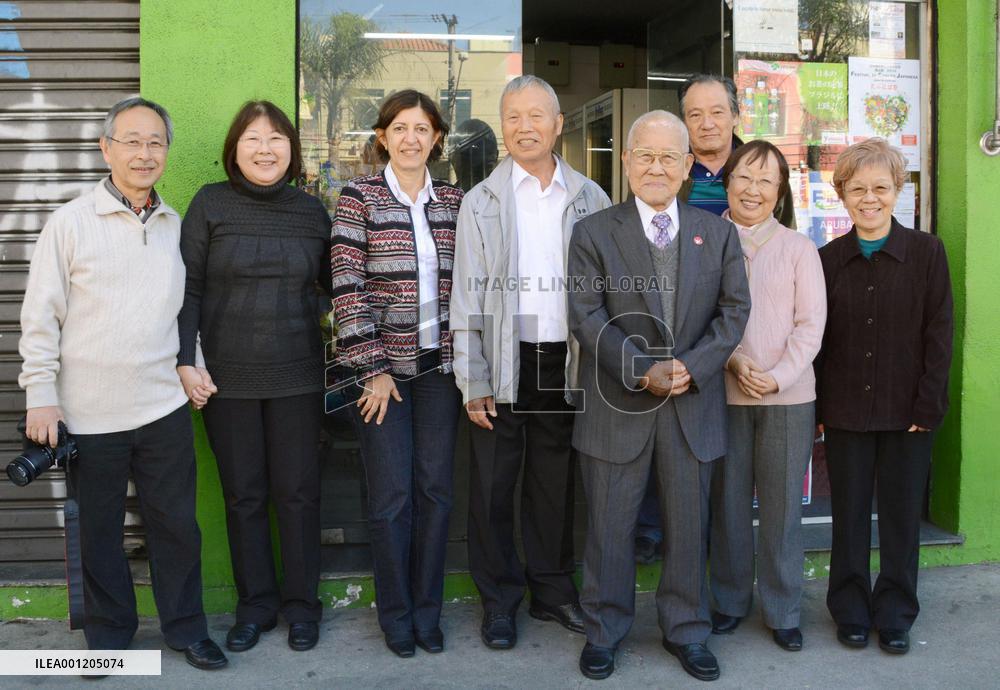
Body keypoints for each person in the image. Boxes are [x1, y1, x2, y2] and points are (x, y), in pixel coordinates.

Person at [18, 97, 227, 669]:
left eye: (156, 141)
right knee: (101, 533)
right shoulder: (70, 223)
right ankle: (110, 636)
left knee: (176, 528)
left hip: (161, 407)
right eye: (131, 141)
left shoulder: (173, 225)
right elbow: (40, 317)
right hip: (89, 413)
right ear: (105, 148)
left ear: (166, 151)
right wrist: (41, 395)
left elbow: (183, 312)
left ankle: (186, 629)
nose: (144, 152)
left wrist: (193, 363)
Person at [568, 110, 750, 681]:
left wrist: (689, 369)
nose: (656, 166)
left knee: (688, 528)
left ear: (688, 165)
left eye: (669, 156)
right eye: (644, 154)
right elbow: (585, 313)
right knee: (609, 529)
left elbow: (733, 311)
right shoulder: (594, 231)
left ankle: (687, 630)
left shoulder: (716, 231)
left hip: (691, 405)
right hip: (618, 405)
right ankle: (604, 631)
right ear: (625, 162)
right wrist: (643, 369)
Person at [450, 75, 612, 650]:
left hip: (564, 359)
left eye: (536, 116)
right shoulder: (483, 200)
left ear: (558, 124)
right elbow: (466, 293)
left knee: (553, 483)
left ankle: (551, 590)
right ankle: (498, 601)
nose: (525, 127)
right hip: (502, 354)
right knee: (493, 486)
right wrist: (472, 377)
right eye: (513, 117)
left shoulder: (591, 197)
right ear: (503, 127)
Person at [177, 100, 331, 654]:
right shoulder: (210, 205)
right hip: (227, 381)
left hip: (298, 375)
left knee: (298, 495)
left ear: (291, 149)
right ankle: (256, 606)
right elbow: (187, 289)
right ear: (235, 150)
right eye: (252, 140)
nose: (264, 149)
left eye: (276, 139)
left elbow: (335, 288)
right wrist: (185, 360)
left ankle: (302, 607)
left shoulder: (312, 213)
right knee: (243, 497)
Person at [634, 74, 800, 564]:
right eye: (694, 114)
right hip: (668, 325)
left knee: (713, 455)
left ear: (735, 115)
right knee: (657, 430)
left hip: (736, 332)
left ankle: (707, 546)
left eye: (717, 112)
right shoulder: (668, 167)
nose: (707, 123)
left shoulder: (757, 167)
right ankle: (652, 528)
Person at [330, 89, 464, 658]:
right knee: (391, 497)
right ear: (383, 136)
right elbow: (346, 288)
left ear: (436, 138)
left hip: (440, 371)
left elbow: (472, 283)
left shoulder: (456, 202)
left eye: (423, 128)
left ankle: (427, 612)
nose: (412, 138)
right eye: (400, 128)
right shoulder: (357, 197)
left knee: (435, 492)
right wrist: (374, 369)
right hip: (381, 377)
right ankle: (396, 616)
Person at [816, 138, 953, 655]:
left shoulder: (926, 253)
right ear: (842, 196)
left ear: (899, 190)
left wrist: (928, 406)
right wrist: (821, 411)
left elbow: (939, 333)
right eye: (857, 189)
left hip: (907, 414)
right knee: (848, 515)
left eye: (880, 187)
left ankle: (895, 612)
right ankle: (850, 609)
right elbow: (819, 340)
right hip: (846, 411)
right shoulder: (828, 259)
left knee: (899, 517)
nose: (869, 198)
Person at [707, 140, 827, 650]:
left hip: (788, 397)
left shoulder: (798, 248)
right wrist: (734, 360)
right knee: (729, 504)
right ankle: (731, 601)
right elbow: (699, 319)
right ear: (727, 182)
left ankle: (783, 610)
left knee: (781, 510)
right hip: (724, 394)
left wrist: (778, 376)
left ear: (779, 194)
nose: (753, 190)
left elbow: (810, 325)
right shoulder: (707, 241)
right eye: (744, 178)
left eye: (766, 181)